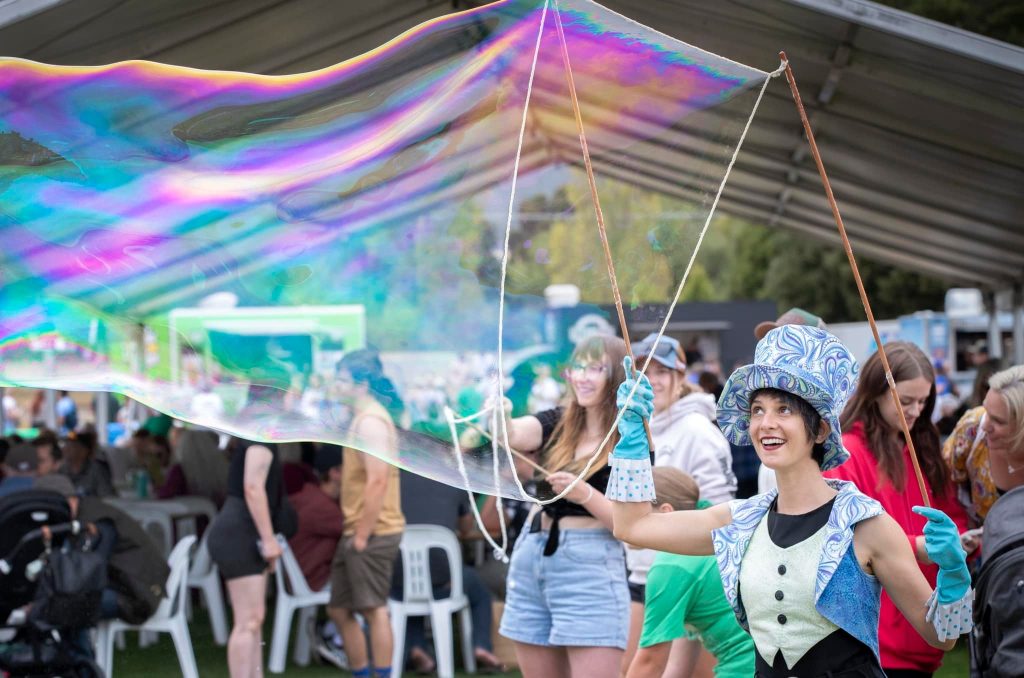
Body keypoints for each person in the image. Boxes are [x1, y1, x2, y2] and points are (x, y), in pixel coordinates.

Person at [610, 325, 973, 678]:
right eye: (757, 410)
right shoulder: (741, 520)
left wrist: (954, 578)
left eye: (784, 410)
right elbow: (632, 527)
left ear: (820, 429)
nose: (766, 423)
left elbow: (942, 637)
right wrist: (631, 443)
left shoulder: (865, 525)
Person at [824, 342, 969, 677]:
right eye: (905, 401)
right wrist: (916, 547)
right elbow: (846, 536)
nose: (916, 410)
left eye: (923, 401)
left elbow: (950, 515)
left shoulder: (924, 447)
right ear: (876, 392)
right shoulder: (848, 452)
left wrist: (959, 539)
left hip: (924, 631)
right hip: (876, 641)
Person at [497, 335, 630, 678]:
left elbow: (631, 526)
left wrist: (583, 494)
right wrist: (501, 413)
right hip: (532, 555)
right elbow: (510, 436)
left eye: (596, 368)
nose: (583, 377)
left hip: (589, 567)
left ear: (616, 375)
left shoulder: (630, 437)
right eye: (578, 368)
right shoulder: (557, 420)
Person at [624, 333, 735, 676]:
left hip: (686, 576)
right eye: (644, 371)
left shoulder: (696, 429)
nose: (653, 381)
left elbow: (718, 510)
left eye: (662, 371)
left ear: (678, 375)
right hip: (645, 573)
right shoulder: (641, 425)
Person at [626, 467, 754, 678]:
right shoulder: (714, 531)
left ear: (666, 512)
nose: (618, 518)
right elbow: (678, 666)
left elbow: (650, 663)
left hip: (748, 668)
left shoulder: (670, 568)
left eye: (627, 507)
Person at [327, 350, 405, 678]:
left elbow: (378, 480)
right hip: (358, 529)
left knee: (374, 610)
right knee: (339, 609)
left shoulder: (371, 422)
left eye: (342, 379)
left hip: (372, 531)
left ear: (361, 385)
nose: (336, 385)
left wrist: (361, 534)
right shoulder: (361, 419)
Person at [391, 469, 504, 674]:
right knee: (478, 588)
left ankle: (417, 648)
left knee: (412, 582)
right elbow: (466, 527)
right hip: (445, 578)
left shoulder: (391, 480)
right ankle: (481, 646)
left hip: (399, 576)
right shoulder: (449, 478)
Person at [34, 473, 170, 624]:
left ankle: (68, 647)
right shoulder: (86, 511)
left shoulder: (97, 521)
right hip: (129, 586)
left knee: (62, 606)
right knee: (60, 601)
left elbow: (87, 574)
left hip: (138, 595)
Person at [206, 431, 286, 678]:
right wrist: (269, 540)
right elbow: (252, 487)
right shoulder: (260, 436)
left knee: (255, 619)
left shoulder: (259, 435)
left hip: (244, 534)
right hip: (239, 534)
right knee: (247, 622)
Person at [944, 364, 1024, 529]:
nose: (985, 425)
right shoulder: (972, 429)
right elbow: (943, 490)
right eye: (986, 410)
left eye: (998, 421)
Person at [289, 444, 347, 669]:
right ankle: (334, 639)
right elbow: (356, 532)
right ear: (335, 473)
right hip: (315, 578)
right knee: (367, 584)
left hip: (300, 574)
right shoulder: (323, 508)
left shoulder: (307, 495)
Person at [157, 428, 230, 507]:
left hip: (188, 515)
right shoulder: (220, 468)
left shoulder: (179, 470)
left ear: (182, 446)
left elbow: (164, 495)